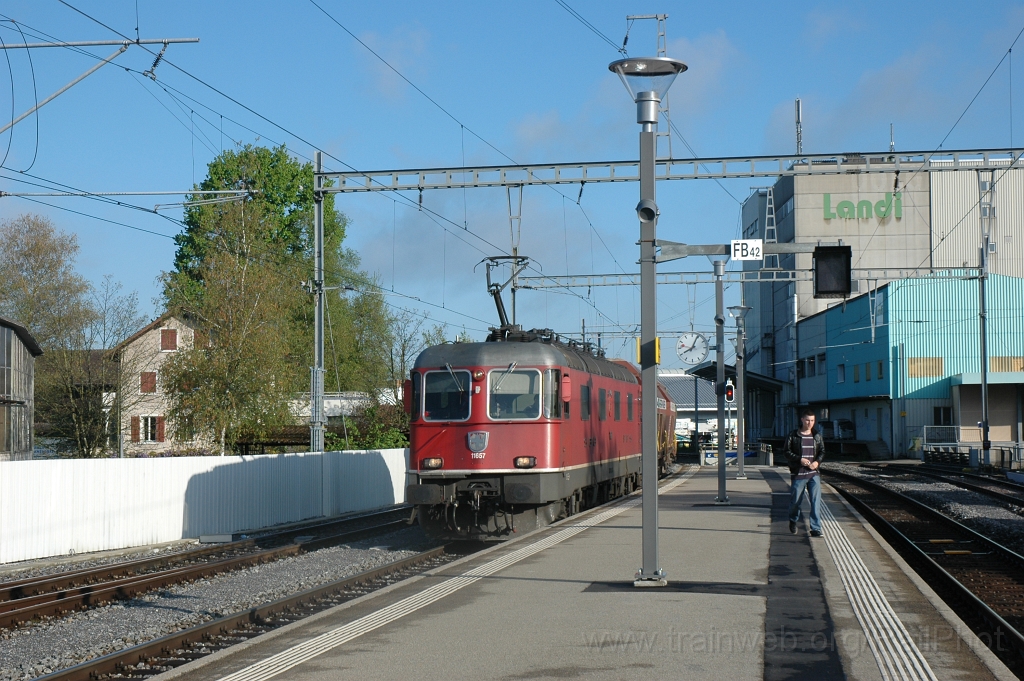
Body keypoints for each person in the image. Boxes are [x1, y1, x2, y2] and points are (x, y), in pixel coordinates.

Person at [785, 408, 826, 537]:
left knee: (815, 501)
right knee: (795, 502)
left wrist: (817, 462)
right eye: (807, 420)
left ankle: (815, 528)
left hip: (814, 474)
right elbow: (786, 451)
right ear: (802, 420)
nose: (810, 423)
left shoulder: (817, 436)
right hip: (799, 474)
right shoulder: (793, 435)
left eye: (812, 420)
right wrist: (799, 459)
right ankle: (793, 520)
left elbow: (822, 451)